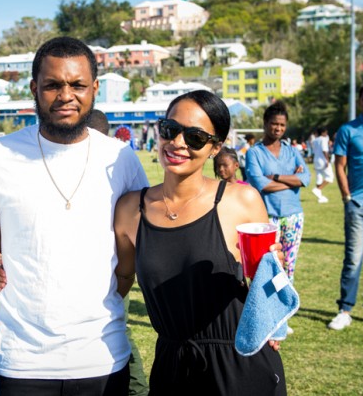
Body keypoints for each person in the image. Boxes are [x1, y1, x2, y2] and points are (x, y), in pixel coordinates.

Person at [0, 37, 148, 395]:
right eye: (53, 85)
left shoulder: (121, 159)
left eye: (77, 85)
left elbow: (142, 240)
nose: (65, 95)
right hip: (22, 361)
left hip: (103, 357)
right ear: (34, 88)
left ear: (95, 89)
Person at [114, 90, 286, 395]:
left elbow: (267, 279)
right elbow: (121, 280)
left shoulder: (241, 200)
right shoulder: (130, 209)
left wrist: (275, 272)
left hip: (239, 364)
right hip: (171, 367)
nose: (177, 142)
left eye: (195, 137)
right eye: (170, 129)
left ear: (215, 147)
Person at [86, 108, 148, 396]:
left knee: (117, 331)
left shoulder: (120, 161)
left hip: (115, 270)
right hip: (109, 268)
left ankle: (137, 389)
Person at [246, 101, 310, 287]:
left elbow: (305, 178)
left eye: (282, 125)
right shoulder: (254, 153)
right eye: (274, 123)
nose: (278, 128)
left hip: (293, 216)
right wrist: (292, 182)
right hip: (267, 218)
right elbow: (260, 184)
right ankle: (265, 302)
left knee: (289, 264)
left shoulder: (292, 151)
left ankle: (285, 302)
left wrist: (275, 177)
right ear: (265, 123)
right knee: (267, 264)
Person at [327, 84, 363, 330]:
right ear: (360, 101)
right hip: (357, 203)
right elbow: (339, 165)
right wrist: (346, 196)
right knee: (353, 258)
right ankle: (345, 310)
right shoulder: (348, 130)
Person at [311, 126, 334, 203]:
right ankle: (317, 189)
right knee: (330, 177)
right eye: (326, 132)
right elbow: (325, 150)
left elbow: (314, 151)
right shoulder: (323, 139)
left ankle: (320, 197)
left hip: (316, 160)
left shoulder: (315, 140)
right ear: (323, 132)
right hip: (323, 160)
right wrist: (327, 160)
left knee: (319, 178)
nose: (327, 134)